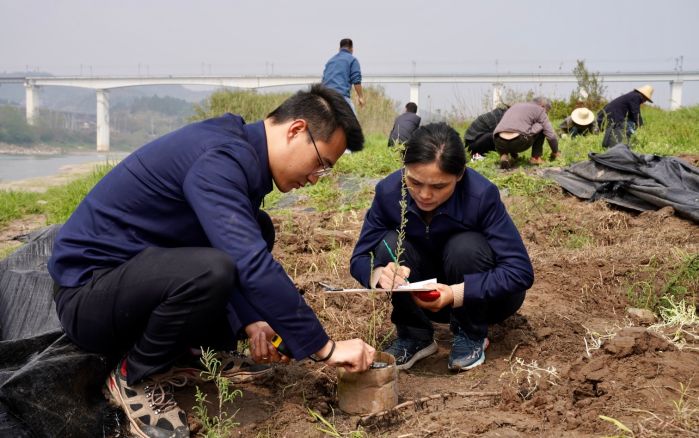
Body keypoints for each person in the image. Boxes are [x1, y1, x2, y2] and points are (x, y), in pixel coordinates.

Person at [48, 84, 376, 438]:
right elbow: (247, 263)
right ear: (296, 130)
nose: (315, 179)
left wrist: (252, 321)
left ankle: (187, 355)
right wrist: (324, 348)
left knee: (257, 229)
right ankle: (134, 376)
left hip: (137, 280)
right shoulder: (219, 158)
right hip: (89, 295)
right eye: (320, 164)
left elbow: (231, 244)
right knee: (212, 270)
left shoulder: (241, 152)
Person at [350, 123, 534, 372]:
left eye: (439, 186)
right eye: (414, 182)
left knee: (465, 245)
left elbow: (520, 271)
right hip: (422, 299)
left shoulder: (481, 196)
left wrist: (457, 293)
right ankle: (414, 334)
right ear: (405, 168)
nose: (424, 195)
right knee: (391, 243)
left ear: (459, 175)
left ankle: (470, 333)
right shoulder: (388, 192)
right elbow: (360, 257)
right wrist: (378, 274)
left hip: (481, 298)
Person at [493, 97, 560, 169]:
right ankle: (536, 158)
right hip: (518, 141)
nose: (546, 113)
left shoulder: (515, 106)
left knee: (512, 130)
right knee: (542, 126)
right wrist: (555, 152)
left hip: (498, 141)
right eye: (547, 111)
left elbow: (511, 127)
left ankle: (504, 155)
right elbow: (551, 136)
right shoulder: (540, 110)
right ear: (543, 106)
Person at [322, 38, 365, 114]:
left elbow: (323, 80)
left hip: (326, 98)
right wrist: (360, 97)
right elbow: (356, 81)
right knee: (354, 123)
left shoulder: (330, 61)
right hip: (341, 97)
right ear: (352, 49)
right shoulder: (352, 60)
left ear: (339, 48)